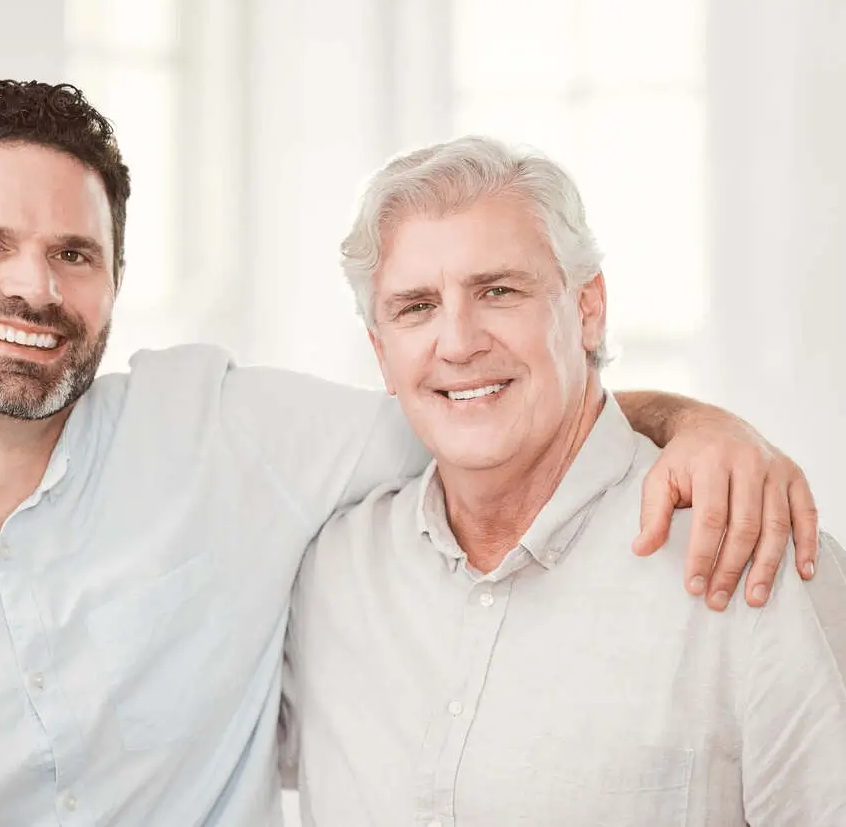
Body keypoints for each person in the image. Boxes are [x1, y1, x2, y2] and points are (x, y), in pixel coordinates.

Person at [0, 80, 818, 825]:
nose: (32, 287)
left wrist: (696, 424)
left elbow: (486, 415)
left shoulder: (230, 436)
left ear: (112, 283)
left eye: (74, 252)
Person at [282, 136, 846, 826]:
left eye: (498, 291)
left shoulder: (755, 557)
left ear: (588, 310)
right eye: (416, 307)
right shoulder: (331, 574)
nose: (457, 342)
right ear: (381, 350)